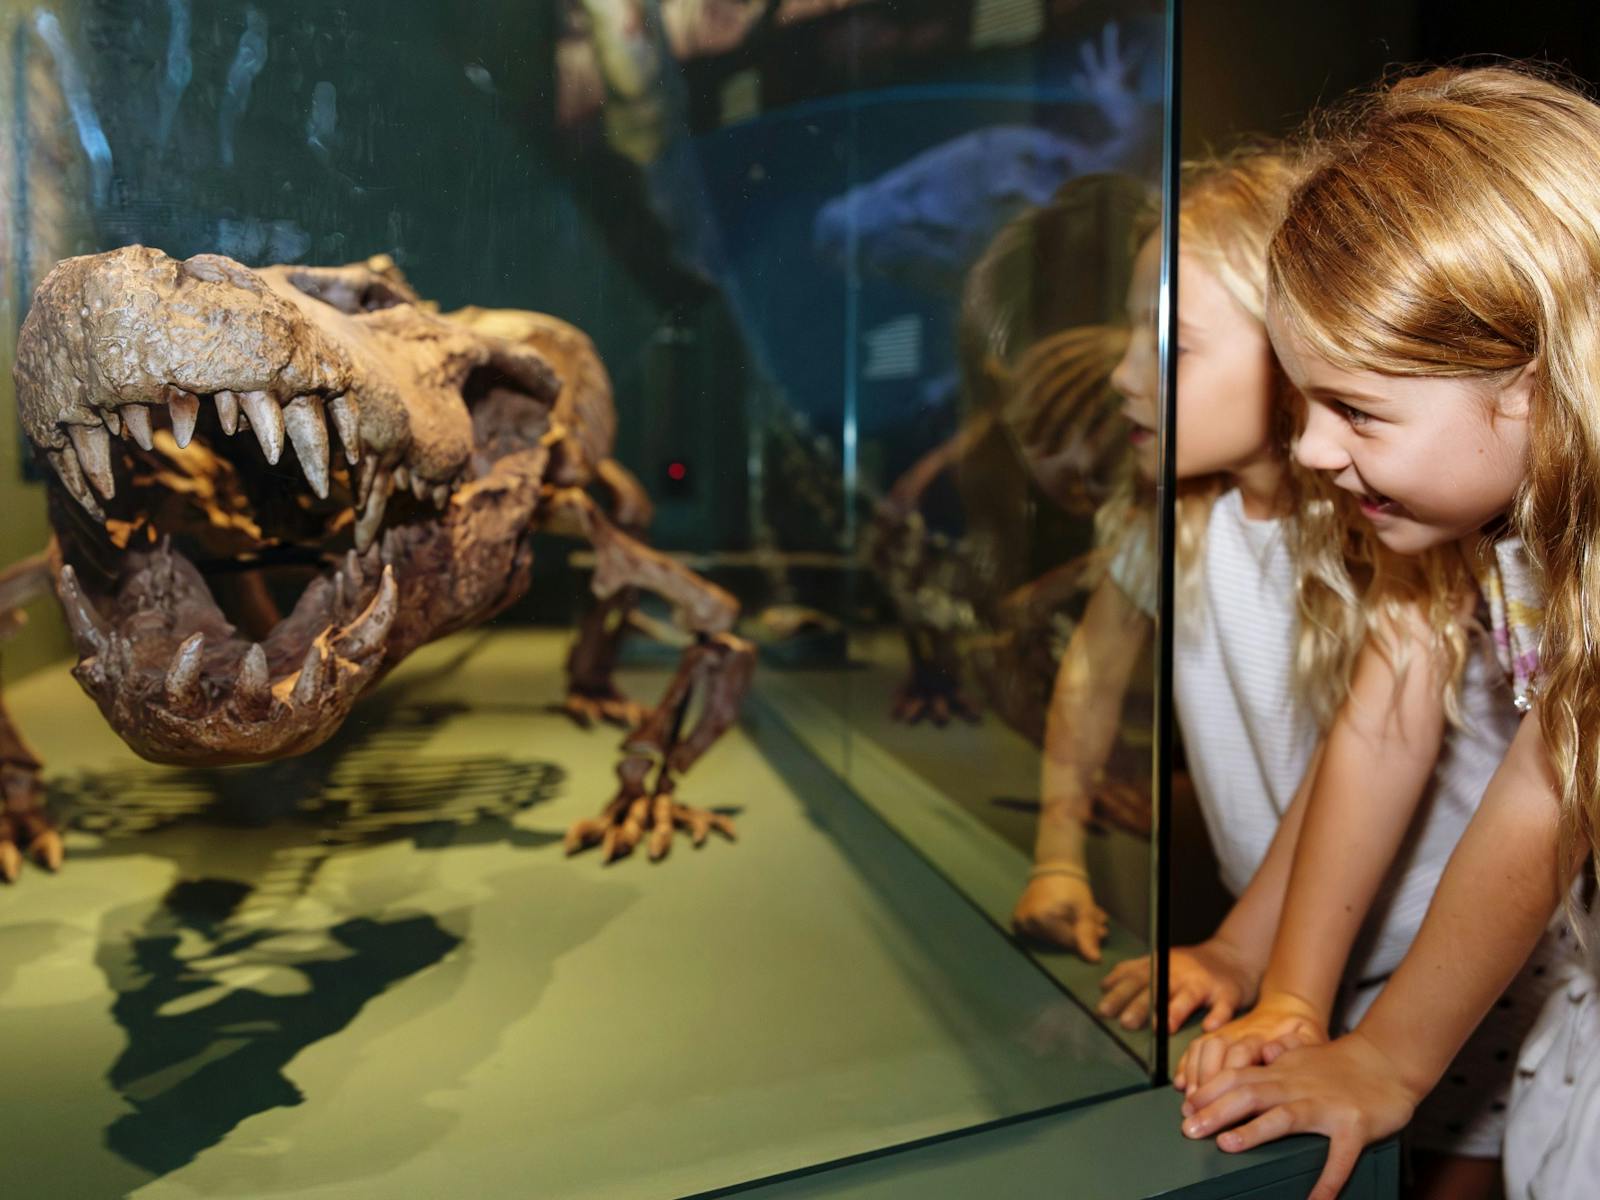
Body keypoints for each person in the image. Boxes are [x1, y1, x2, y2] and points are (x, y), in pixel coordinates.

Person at [1174, 64, 1600, 1200]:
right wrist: (1295, 1002)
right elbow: (1378, 731)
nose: (1311, 450)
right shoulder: (1474, 530)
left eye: (1356, 410)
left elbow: (1543, 794)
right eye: (1303, 401)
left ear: (1544, 386)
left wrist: (1390, 1056)